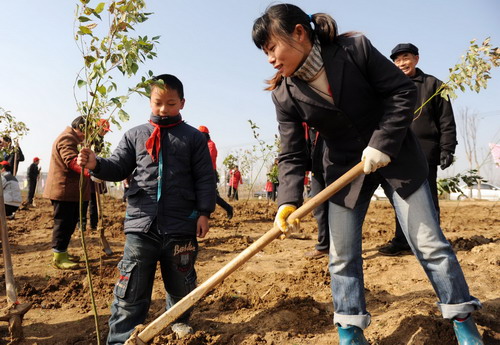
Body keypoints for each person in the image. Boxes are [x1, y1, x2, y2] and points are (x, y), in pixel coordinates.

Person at [252, 4, 482, 344]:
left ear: (299, 33)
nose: (270, 58)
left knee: (429, 242)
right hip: (344, 168)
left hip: (397, 155)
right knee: (341, 255)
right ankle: (349, 329)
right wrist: (287, 202)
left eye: (272, 47)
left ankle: (461, 316)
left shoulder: (354, 51)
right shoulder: (285, 93)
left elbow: (402, 91)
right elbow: (291, 152)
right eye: (265, 52)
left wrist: (382, 143)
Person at [77, 74, 216, 344]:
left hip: (182, 224)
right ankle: (121, 337)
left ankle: (179, 324)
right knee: (131, 288)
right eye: (158, 103)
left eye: (171, 103)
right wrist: (96, 164)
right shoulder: (134, 135)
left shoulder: (194, 138)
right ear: (150, 102)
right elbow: (118, 167)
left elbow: (204, 178)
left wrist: (204, 213)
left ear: (182, 103)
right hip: (141, 224)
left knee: (181, 281)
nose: (164, 109)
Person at [378, 43, 458, 256]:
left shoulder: (435, 85)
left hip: (426, 151)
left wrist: (447, 148)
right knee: (400, 196)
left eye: (405, 57)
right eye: (397, 60)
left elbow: (446, 120)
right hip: (398, 151)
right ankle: (402, 241)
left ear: (416, 59)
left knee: (429, 198)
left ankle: (432, 243)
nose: (401, 63)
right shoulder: (390, 88)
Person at [43, 116, 91, 270]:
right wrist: (91, 171)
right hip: (63, 190)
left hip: (70, 191)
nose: (89, 135)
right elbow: (71, 161)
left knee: (69, 222)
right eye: (89, 130)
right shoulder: (67, 138)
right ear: (82, 128)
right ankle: (58, 257)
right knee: (63, 223)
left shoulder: (75, 139)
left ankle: (62, 252)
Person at [198, 125, 233, 219]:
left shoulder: (210, 145)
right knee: (208, 195)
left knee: (212, 195)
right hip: (202, 172)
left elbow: (208, 159)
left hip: (209, 173)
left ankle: (228, 208)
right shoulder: (203, 145)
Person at [304, 132, 329, 259]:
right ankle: (324, 246)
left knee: (340, 207)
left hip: (337, 163)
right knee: (319, 208)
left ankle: (342, 248)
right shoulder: (302, 121)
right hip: (316, 163)